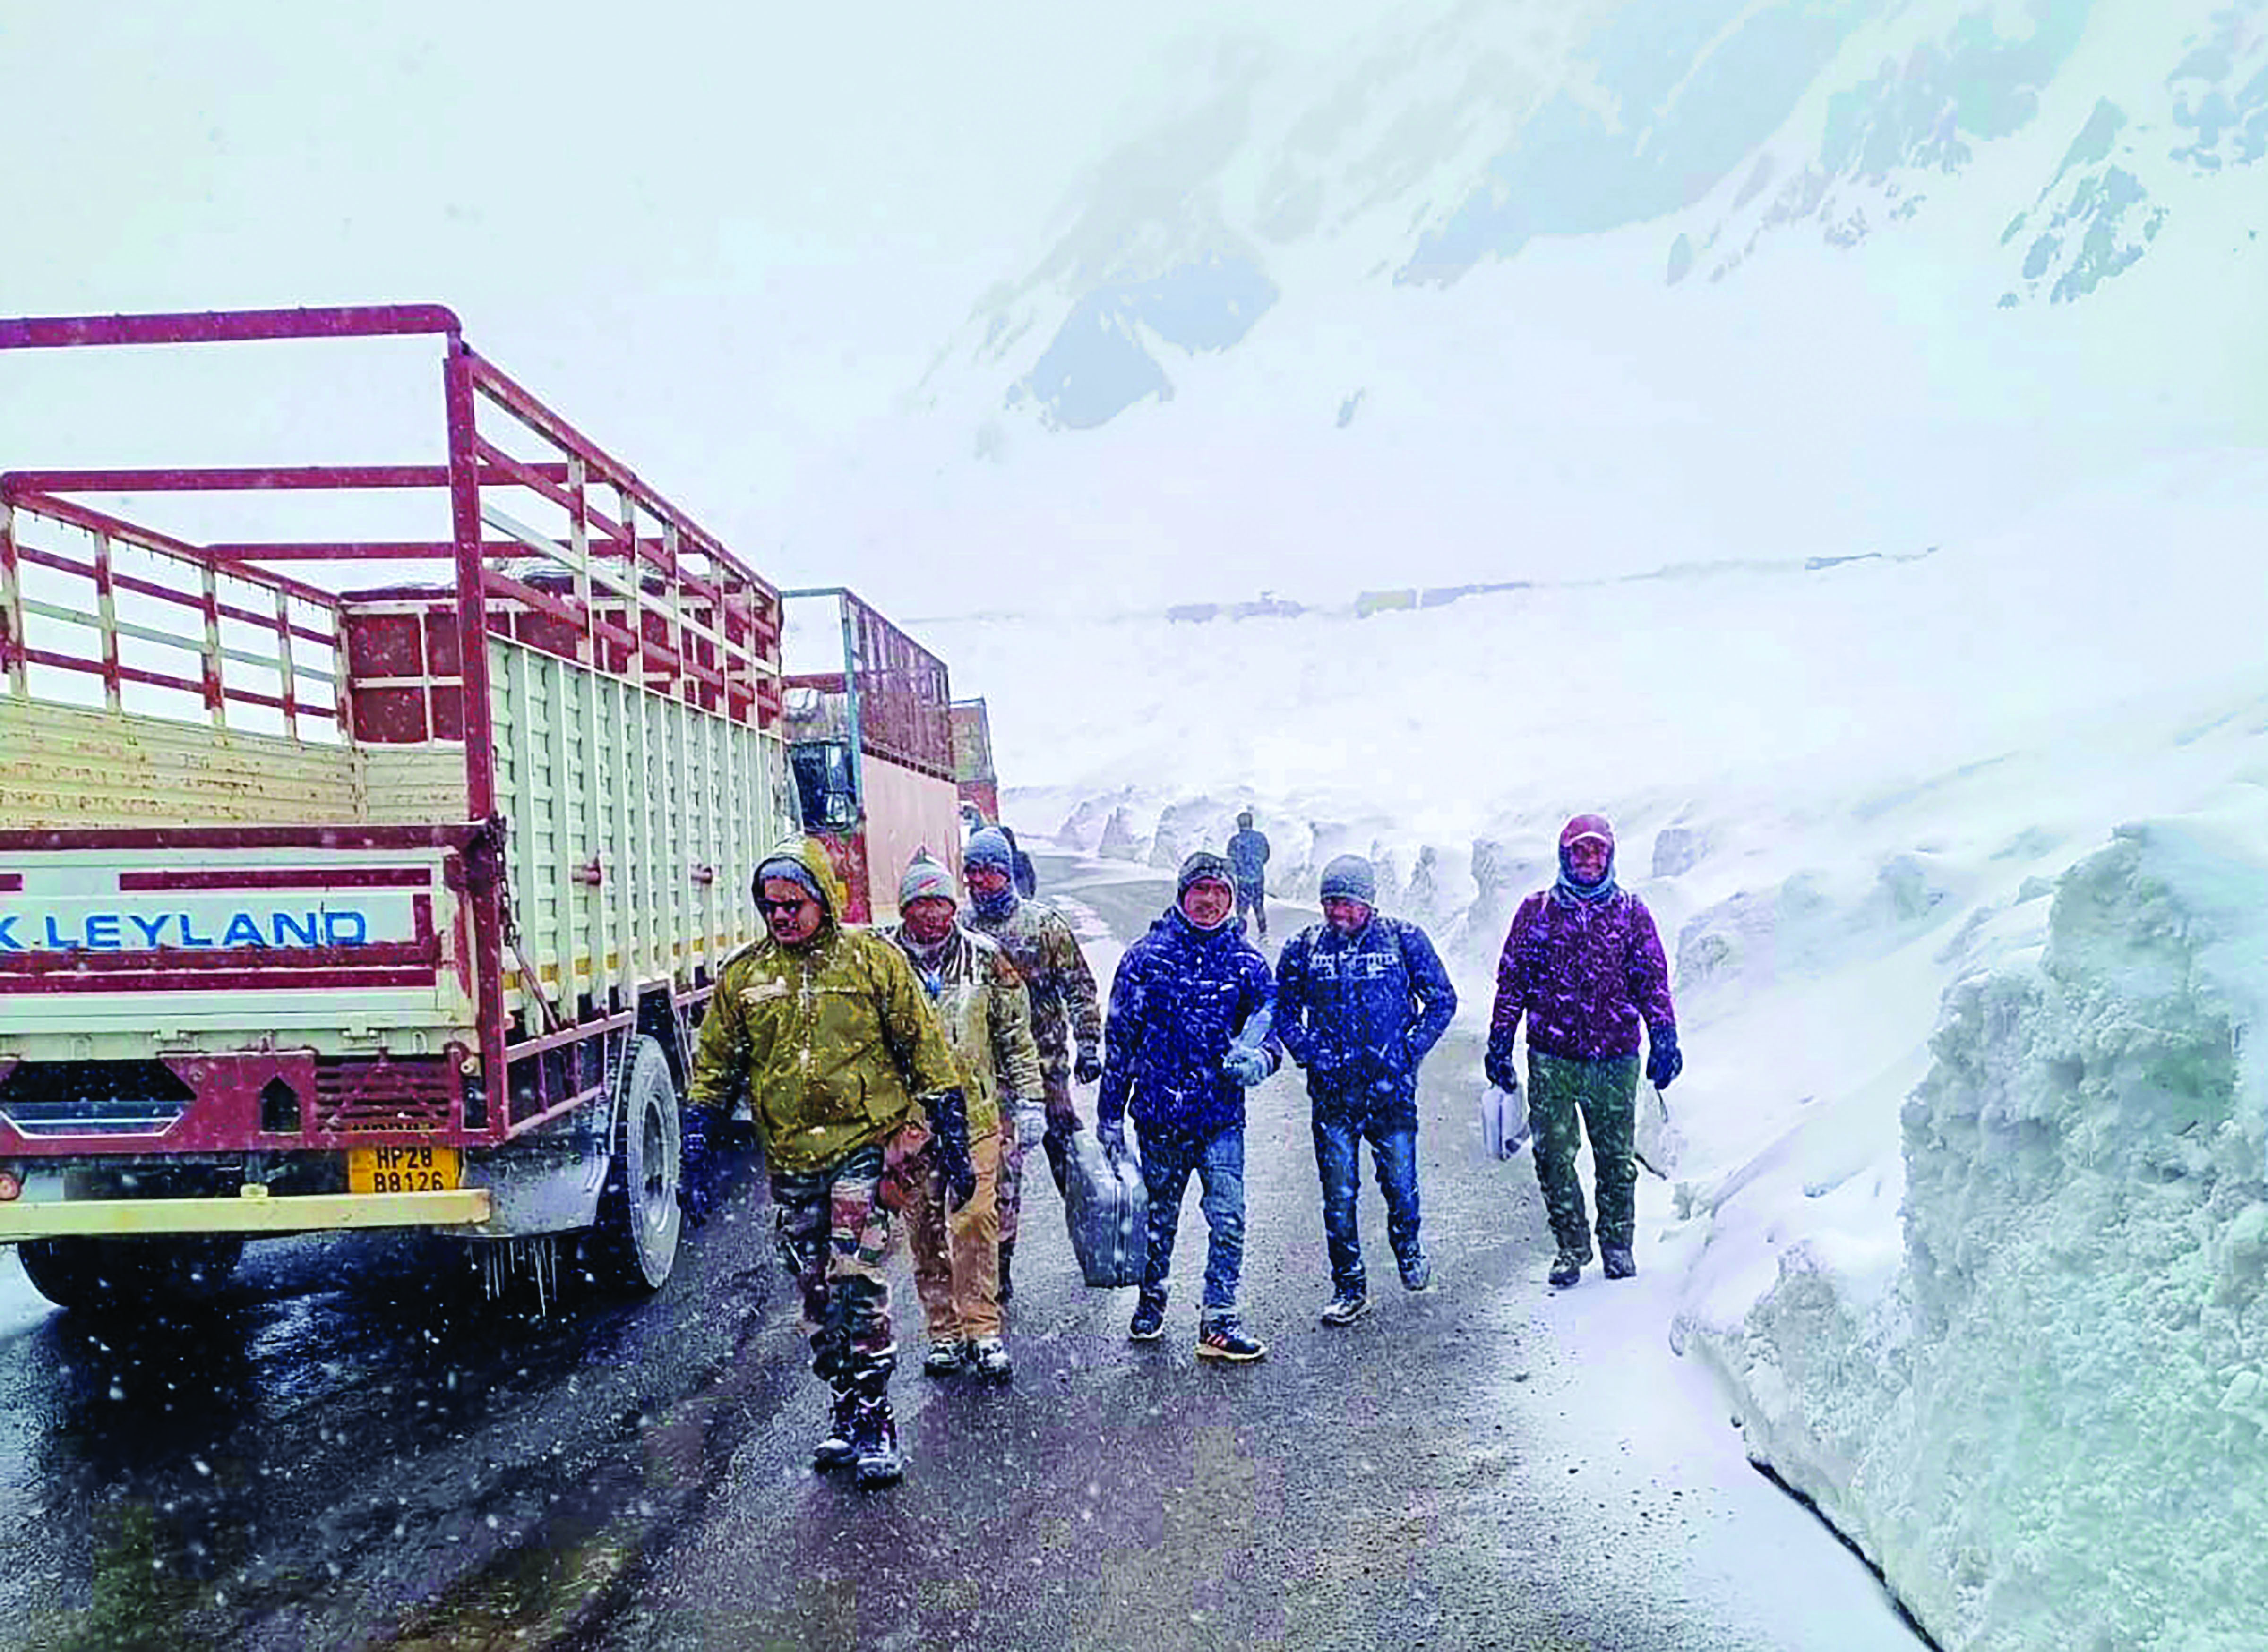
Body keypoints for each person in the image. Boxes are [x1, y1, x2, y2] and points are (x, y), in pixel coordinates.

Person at [683, 835, 972, 1488]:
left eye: (794, 904)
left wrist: (953, 1143)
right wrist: (695, 1153)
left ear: (822, 900)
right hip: (792, 1159)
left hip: (864, 1148)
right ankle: (843, 1406)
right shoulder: (745, 978)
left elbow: (926, 1051)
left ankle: (876, 1418)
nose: (782, 916)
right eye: (771, 906)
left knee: (856, 1278)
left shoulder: (872, 963)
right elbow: (714, 1071)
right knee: (816, 1295)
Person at [1097, 850, 1282, 1361]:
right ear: (1183, 894)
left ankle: (1219, 1319)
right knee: (1159, 1219)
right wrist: (1109, 1115)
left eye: (1220, 891)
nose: (1209, 900)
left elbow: (1272, 1031)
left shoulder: (1248, 965)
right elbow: (1121, 1040)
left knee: (1229, 1219)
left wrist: (1261, 1060)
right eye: (1200, 889)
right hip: (1160, 1116)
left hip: (1221, 1119)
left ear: (1232, 898)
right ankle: (1152, 1298)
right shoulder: (1145, 958)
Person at [1484, 814, 1681, 1290]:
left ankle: (1617, 1245)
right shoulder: (1537, 912)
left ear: (1610, 856)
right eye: (1580, 850)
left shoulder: (1631, 912)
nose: (1590, 859)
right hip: (1552, 1056)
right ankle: (1571, 1246)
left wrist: (1665, 1036)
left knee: (1616, 1159)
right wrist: (1500, 1042)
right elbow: (1513, 982)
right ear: (1564, 855)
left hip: (1615, 1057)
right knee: (1553, 1154)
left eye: (1598, 851)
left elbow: (1652, 981)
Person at [1273, 854, 1458, 1326]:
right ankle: (1349, 1284)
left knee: (1401, 1186)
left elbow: (1442, 999)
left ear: (1369, 902)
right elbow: (1283, 1011)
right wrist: (1309, 1051)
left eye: (1348, 902)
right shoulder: (1304, 946)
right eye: (1330, 902)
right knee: (1338, 1195)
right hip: (1332, 1096)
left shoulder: (1403, 939)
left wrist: (1409, 1049)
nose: (1338, 912)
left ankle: (1408, 1246)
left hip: (1391, 1094)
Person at [885, 853, 1043, 1382]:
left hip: (976, 1117)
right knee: (924, 1227)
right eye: (920, 903)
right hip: (910, 1123)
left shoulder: (986, 957)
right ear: (905, 908)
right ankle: (944, 1332)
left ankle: (983, 1328)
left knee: (976, 1220)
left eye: (941, 901)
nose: (932, 913)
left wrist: (1030, 1099)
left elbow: (1015, 1035)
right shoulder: (883, 963)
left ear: (954, 906)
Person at [961, 826, 1104, 1302]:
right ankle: (999, 1271)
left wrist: (1088, 1043)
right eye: (972, 871)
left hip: (1048, 1071)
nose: (980, 880)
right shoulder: (960, 931)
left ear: (1008, 873)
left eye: (990, 870)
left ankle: (1097, 1243)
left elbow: (1079, 986)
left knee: (1070, 1165)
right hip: (990, 1078)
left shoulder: (1044, 926)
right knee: (1003, 1174)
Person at [1226, 811, 1271, 941]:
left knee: (1242, 909)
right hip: (1258, 877)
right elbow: (1266, 856)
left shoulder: (1235, 841)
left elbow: (1231, 860)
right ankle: (1263, 933)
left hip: (1242, 880)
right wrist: (1257, 866)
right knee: (1259, 906)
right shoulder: (1261, 838)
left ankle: (1241, 933)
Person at [997, 823, 1040, 899]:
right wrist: (1030, 894)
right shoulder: (1022, 856)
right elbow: (1032, 878)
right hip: (1024, 896)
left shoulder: (997, 860)